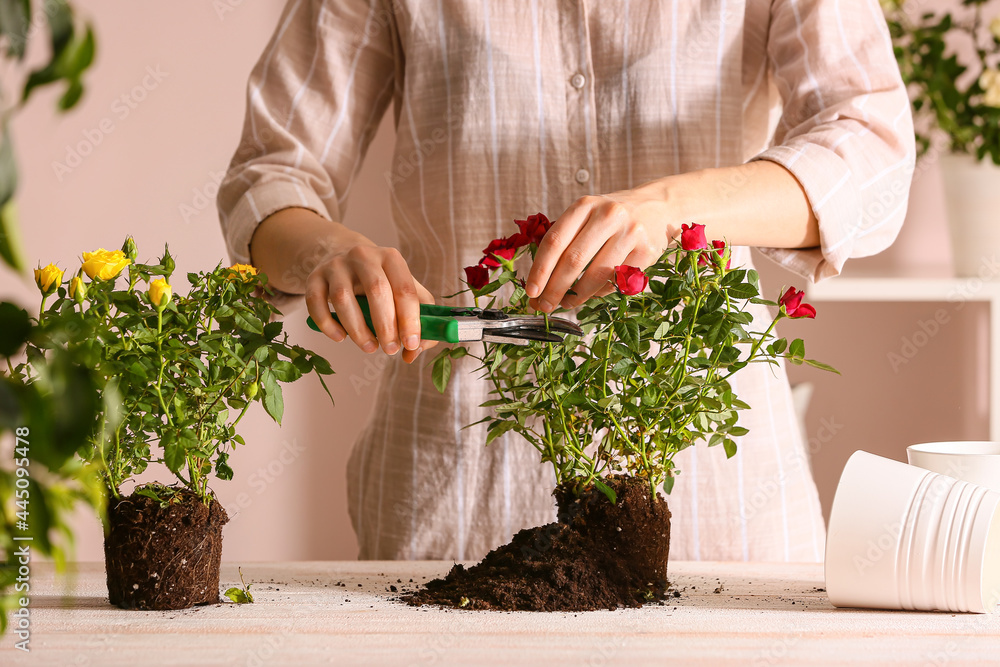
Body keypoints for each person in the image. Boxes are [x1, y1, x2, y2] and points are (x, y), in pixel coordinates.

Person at [218, 0, 914, 562]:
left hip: (717, 512)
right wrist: (325, 252)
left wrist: (672, 210)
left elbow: (873, 152)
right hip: (459, 506)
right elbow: (271, 171)